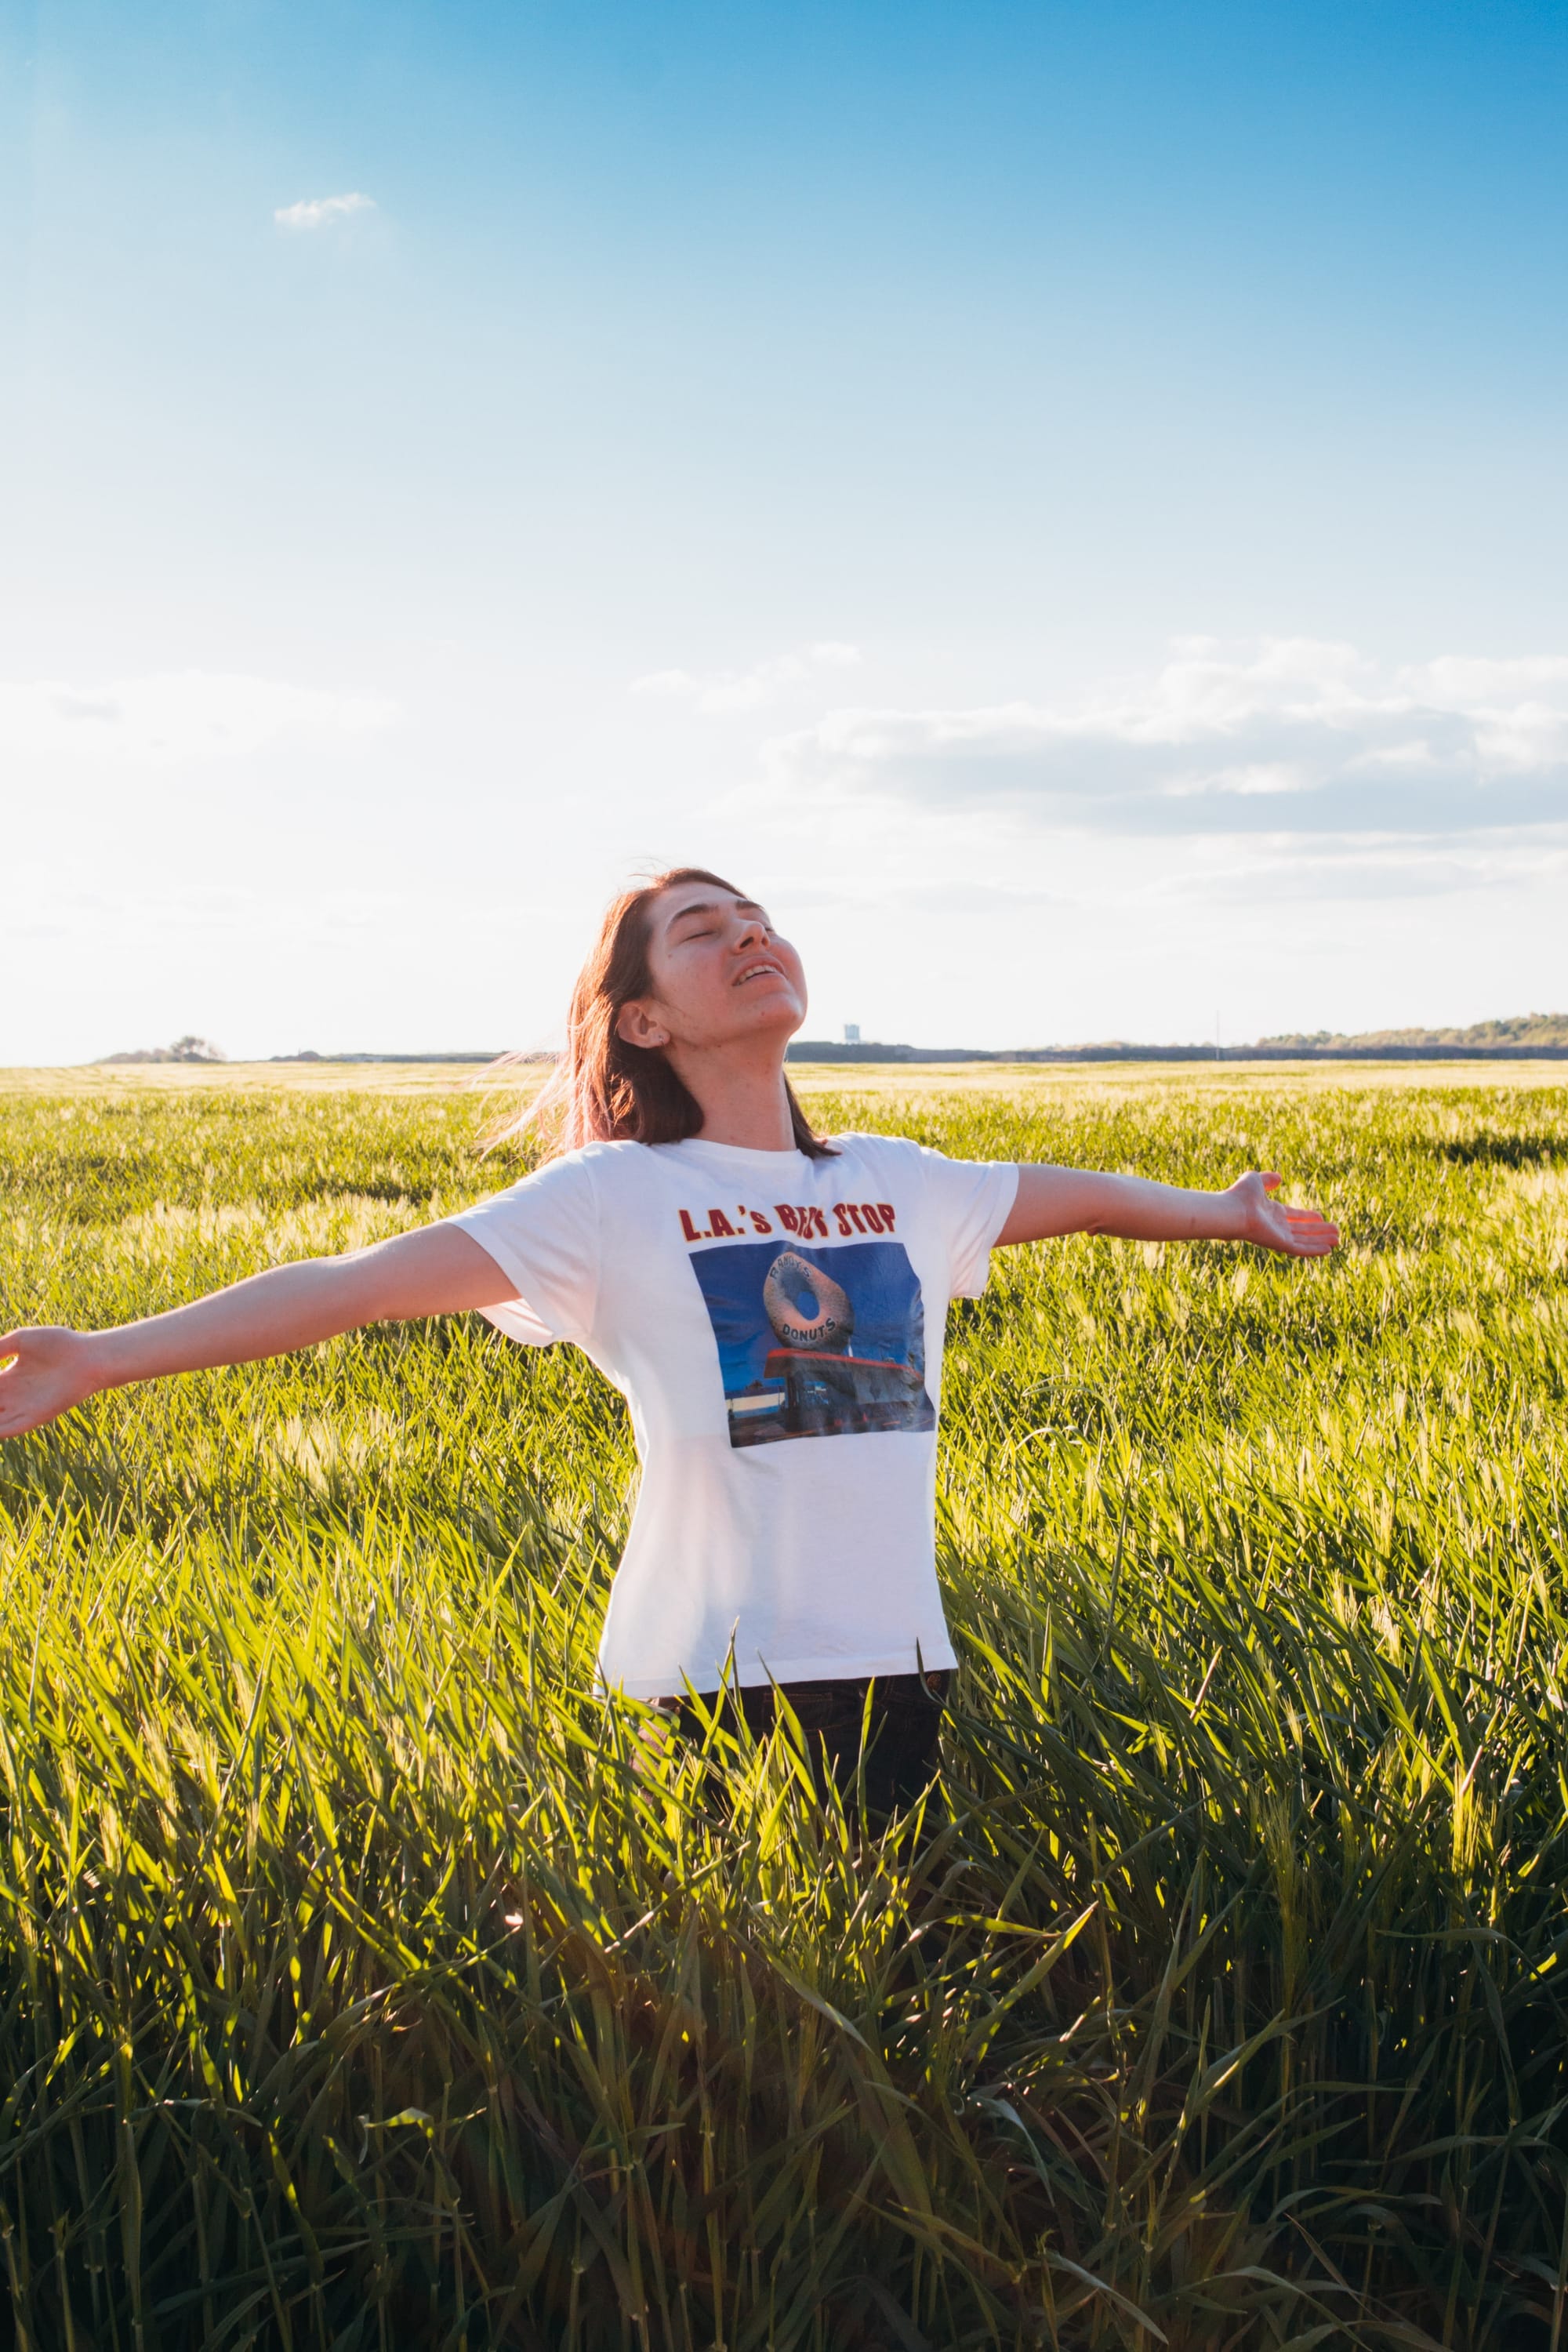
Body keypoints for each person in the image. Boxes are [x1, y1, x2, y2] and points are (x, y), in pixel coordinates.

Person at [0, 867, 1338, 1811]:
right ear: (642, 1019)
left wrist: (1227, 1216)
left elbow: (1080, 1198)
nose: (751, 934)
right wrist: (107, 1354)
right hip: (710, 1686)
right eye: (705, 931)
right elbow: (356, 1283)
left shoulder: (898, 1176)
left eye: (760, 918)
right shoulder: (612, 1198)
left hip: (901, 1668)